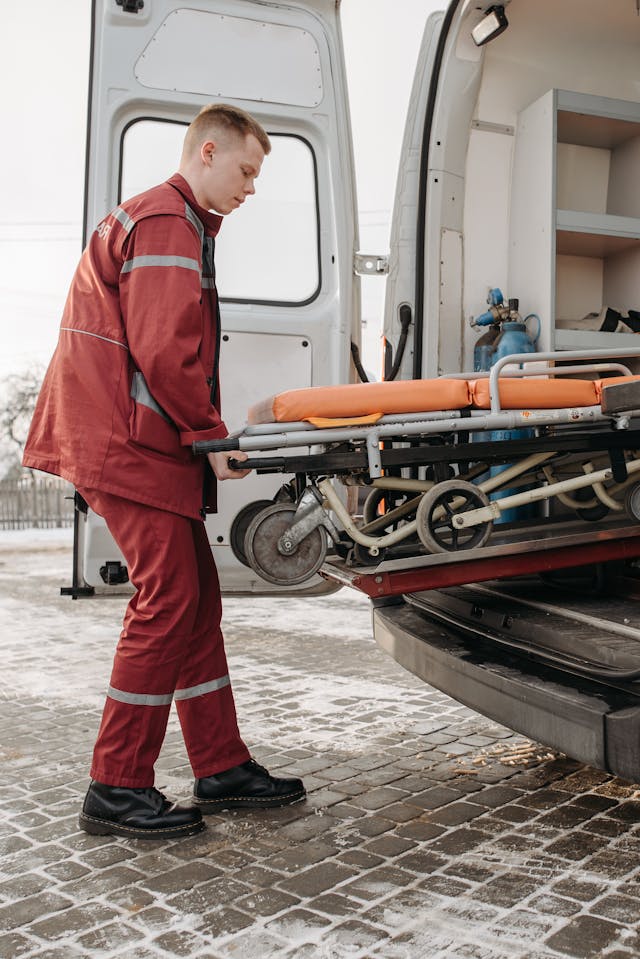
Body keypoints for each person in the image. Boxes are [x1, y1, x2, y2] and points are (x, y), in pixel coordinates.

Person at [23, 103, 306, 840]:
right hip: (123, 443)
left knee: (195, 598)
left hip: (136, 440)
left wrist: (203, 439)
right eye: (246, 170)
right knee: (169, 598)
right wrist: (211, 436)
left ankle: (219, 763)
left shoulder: (175, 223)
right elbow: (162, 348)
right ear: (207, 152)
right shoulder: (166, 221)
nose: (250, 188)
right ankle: (115, 785)